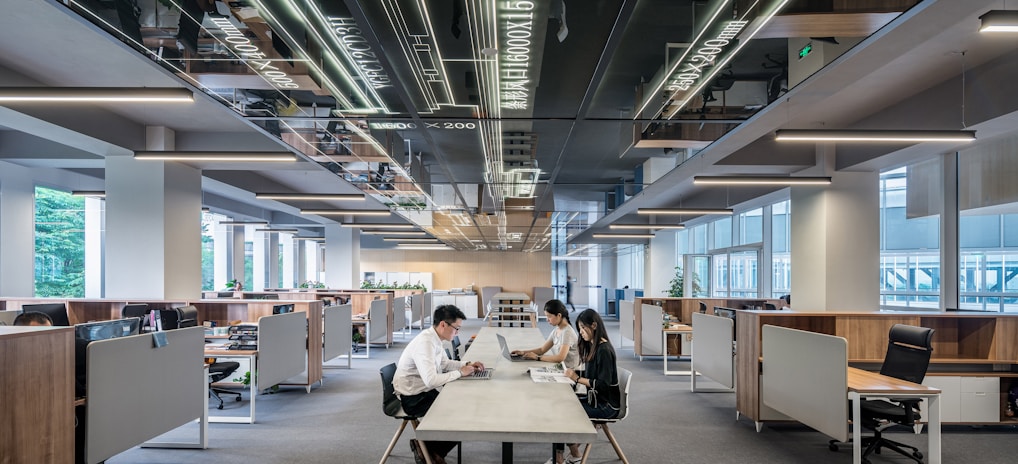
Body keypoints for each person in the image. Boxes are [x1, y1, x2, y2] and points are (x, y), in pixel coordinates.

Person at [392, 305, 485, 464]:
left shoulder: (435, 338)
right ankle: (429, 450)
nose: (458, 332)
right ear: (443, 324)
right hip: (412, 398)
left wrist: (467, 364)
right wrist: (461, 372)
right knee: (462, 416)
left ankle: (427, 448)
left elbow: (444, 363)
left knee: (464, 408)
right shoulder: (425, 343)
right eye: (456, 328)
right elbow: (431, 380)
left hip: (423, 391)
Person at [551, 309, 621, 464]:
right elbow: (590, 374)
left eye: (583, 328)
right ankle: (571, 453)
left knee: (562, 411)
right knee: (561, 404)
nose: (581, 332)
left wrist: (576, 378)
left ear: (594, 325)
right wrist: (570, 373)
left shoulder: (604, 350)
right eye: (579, 329)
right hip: (595, 398)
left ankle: (564, 457)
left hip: (606, 405)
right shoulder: (593, 346)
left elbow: (603, 385)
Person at [511, 299, 580, 369]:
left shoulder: (567, 332)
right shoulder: (557, 330)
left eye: (549, 316)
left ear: (559, 315)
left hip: (569, 372)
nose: (547, 319)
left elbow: (560, 358)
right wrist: (523, 352)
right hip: (560, 367)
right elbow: (542, 350)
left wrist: (537, 357)